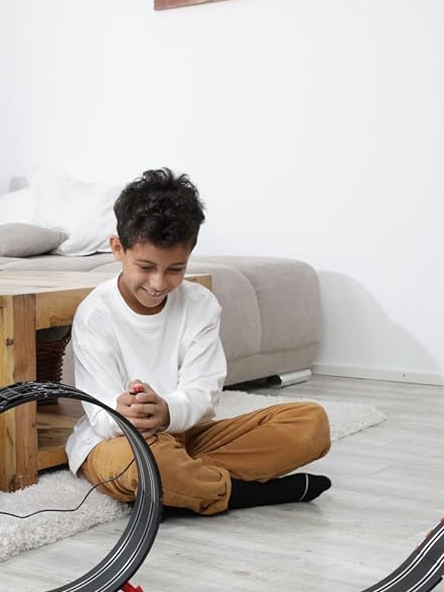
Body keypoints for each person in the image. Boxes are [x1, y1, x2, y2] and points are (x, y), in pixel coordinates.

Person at [66, 168, 331, 515]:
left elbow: (203, 394)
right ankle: (239, 494)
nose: (158, 283)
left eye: (174, 269)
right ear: (118, 248)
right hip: (118, 441)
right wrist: (125, 412)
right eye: (145, 267)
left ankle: (181, 488)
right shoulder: (95, 314)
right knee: (139, 463)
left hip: (187, 435)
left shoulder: (200, 305)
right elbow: (101, 417)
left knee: (311, 422)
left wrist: (165, 411)